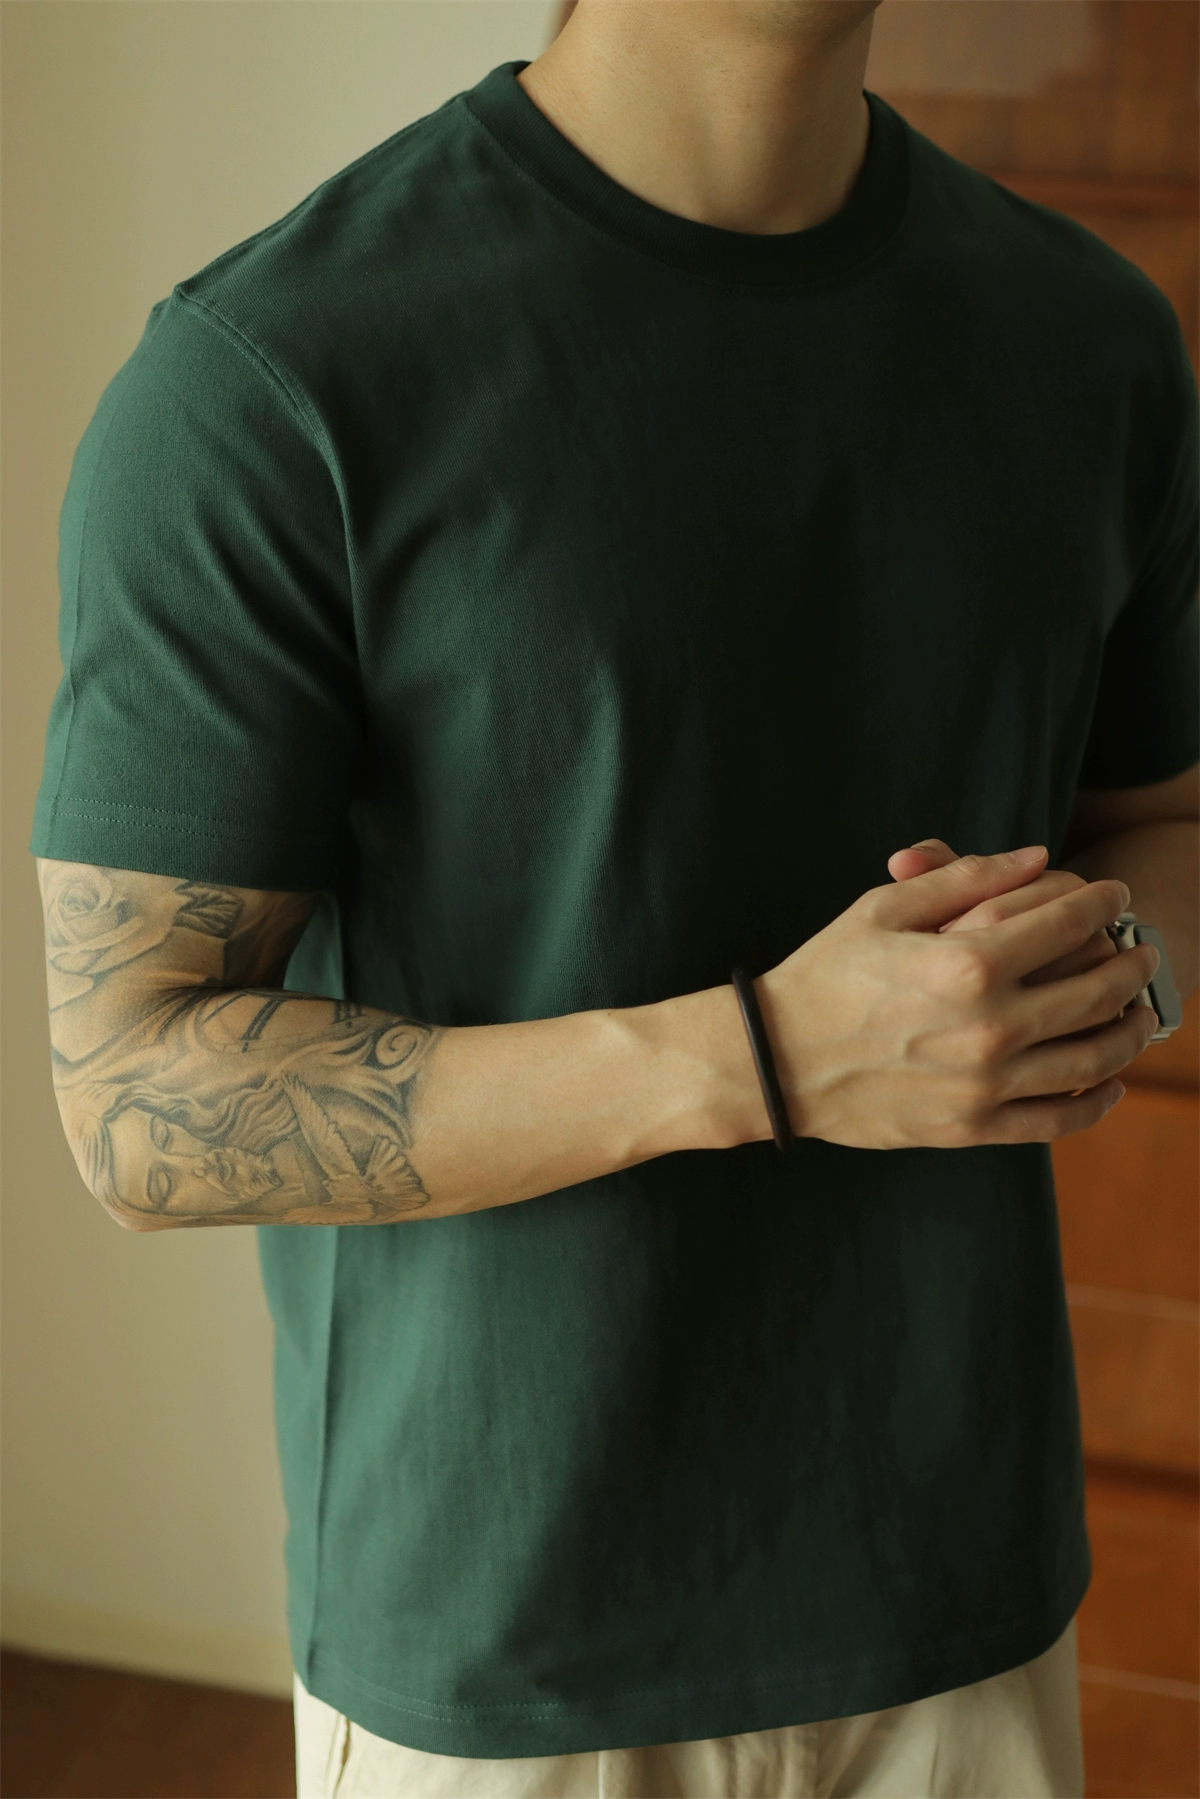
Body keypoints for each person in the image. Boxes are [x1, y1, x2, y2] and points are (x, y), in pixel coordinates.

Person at [31, 1, 1198, 1794]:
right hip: (503, 1656)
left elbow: (1168, 823)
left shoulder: (1088, 337)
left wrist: (1107, 976)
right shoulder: (274, 372)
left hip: (968, 1606)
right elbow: (132, 1100)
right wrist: (767, 1056)